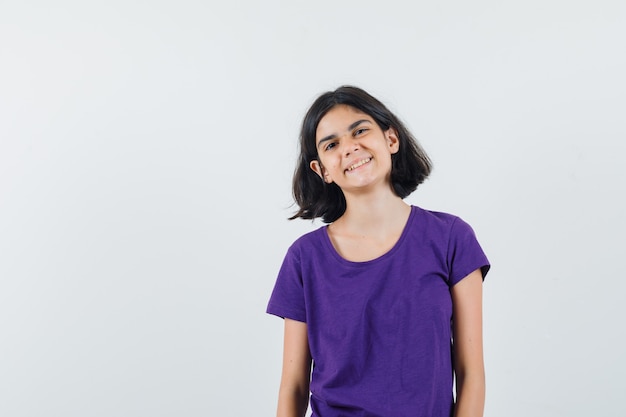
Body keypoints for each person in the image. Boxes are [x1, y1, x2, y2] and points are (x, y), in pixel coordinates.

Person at [266, 85, 490, 417]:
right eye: (332, 144)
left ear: (391, 139)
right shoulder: (304, 259)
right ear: (322, 170)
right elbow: (293, 386)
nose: (350, 147)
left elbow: (471, 374)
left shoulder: (451, 238)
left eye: (360, 131)